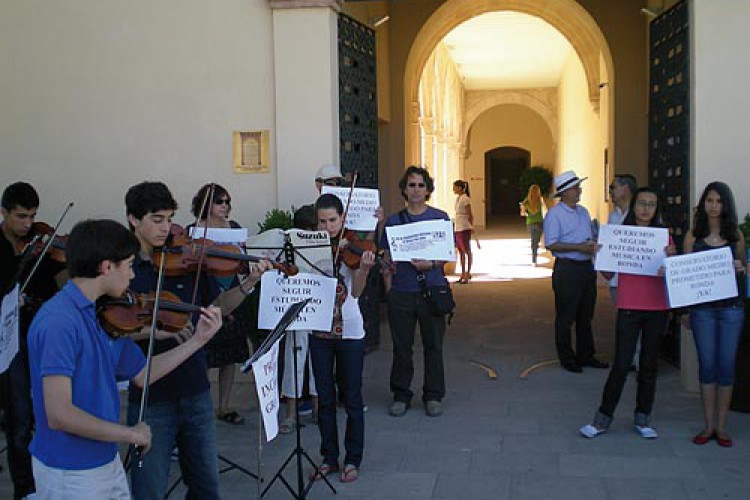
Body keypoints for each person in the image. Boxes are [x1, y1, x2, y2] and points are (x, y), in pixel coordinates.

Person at [26, 219, 223, 500]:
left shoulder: (100, 315)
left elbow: (143, 374)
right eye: (128, 265)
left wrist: (198, 340)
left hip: (104, 461)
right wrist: (129, 434)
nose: (132, 276)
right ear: (107, 267)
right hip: (70, 471)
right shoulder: (59, 321)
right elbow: (60, 414)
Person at [124, 181, 272, 499]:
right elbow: (112, 325)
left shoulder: (187, 262)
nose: (166, 228)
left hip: (195, 391)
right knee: (148, 489)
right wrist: (157, 329)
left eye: (169, 219)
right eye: (157, 219)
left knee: (207, 488)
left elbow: (216, 307)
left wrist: (249, 282)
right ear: (134, 220)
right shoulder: (124, 269)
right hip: (152, 398)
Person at [580, 187, 676, 439]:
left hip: (657, 308)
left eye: (651, 204)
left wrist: (671, 261)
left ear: (657, 209)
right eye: (642, 203)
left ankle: (643, 418)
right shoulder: (620, 236)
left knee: (648, 365)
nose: (646, 208)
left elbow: (674, 275)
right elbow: (610, 274)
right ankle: (602, 418)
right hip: (630, 307)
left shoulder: (664, 238)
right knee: (621, 364)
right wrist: (600, 257)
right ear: (634, 206)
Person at [0, 182, 66, 500]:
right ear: (4, 213)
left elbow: (62, 282)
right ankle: (25, 489)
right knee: (19, 418)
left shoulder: (42, 245)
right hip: (9, 344)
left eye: (33, 216)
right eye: (21, 217)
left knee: (49, 413)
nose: (29, 225)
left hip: (42, 336)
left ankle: (49, 482)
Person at [308, 194, 374, 483]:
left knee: (352, 397)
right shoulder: (307, 248)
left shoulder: (353, 247)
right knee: (324, 398)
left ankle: (353, 458)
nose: (328, 227)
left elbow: (356, 293)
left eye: (333, 220)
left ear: (342, 218)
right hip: (318, 330)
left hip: (349, 329)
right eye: (322, 221)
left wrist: (364, 269)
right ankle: (329, 457)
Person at [381, 166, 450, 417]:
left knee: (434, 346)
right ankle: (401, 394)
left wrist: (430, 264)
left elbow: (446, 255)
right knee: (401, 347)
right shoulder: (393, 221)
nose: (416, 190)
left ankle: (433, 395)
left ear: (428, 189)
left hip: (431, 289)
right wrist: (388, 283)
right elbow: (386, 256)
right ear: (404, 189)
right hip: (402, 291)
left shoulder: (440, 218)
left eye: (421, 185)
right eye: (411, 185)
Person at [684, 181, 747, 448]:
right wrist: (685, 311)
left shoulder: (736, 236)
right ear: (703, 203)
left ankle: (721, 428)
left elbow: (743, 269)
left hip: (731, 309)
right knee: (707, 365)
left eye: (719, 201)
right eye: (709, 200)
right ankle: (707, 425)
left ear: (726, 205)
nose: (713, 205)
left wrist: (740, 268)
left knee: (726, 367)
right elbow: (685, 276)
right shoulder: (692, 236)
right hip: (703, 311)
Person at [186, 183, 247, 425]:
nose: (225, 206)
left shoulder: (234, 228)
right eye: (220, 202)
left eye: (227, 202)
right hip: (204, 294)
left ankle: (225, 405)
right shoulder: (193, 230)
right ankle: (201, 407)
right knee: (203, 354)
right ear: (206, 204)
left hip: (230, 289)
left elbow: (242, 266)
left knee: (229, 355)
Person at [543, 170, 608, 373]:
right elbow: (552, 244)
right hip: (567, 269)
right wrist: (579, 247)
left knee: (585, 315)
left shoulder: (583, 212)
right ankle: (567, 357)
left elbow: (588, 236)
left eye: (578, 187)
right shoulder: (555, 215)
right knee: (566, 316)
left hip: (585, 268)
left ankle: (586, 355)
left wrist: (592, 245)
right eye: (575, 188)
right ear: (564, 192)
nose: (579, 190)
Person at [279, 205, 318, 434]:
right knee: (294, 358)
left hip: (320, 307)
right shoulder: (287, 248)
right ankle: (291, 413)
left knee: (319, 362)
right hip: (296, 306)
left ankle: (317, 408)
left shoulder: (327, 243)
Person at [606, 174, 637, 303]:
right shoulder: (613, 216)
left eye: (613, 187)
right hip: (616, 280)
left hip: (635, 279)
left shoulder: (639, 214)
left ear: (625, 188)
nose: (610, 191)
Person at [453, 180, 474, 283]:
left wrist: (471, 226)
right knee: (461, 251)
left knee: (467, 250)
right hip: (458, 226)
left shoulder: (465, 199)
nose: (453, 189)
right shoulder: (458, 199)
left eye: (455, 187)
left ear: (460, 188)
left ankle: (468, 272)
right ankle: (462, 273)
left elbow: (470, 214)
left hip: (464, 226)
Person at [520, 184, 544, 266]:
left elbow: (522, 213)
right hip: (540, 223)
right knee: (536, 241)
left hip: (530, 223)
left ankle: (534, 260)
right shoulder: (540, 200)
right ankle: (535, 256)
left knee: (533, 241)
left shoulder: (526, 201)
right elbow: (545, 210)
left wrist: (527, 213)